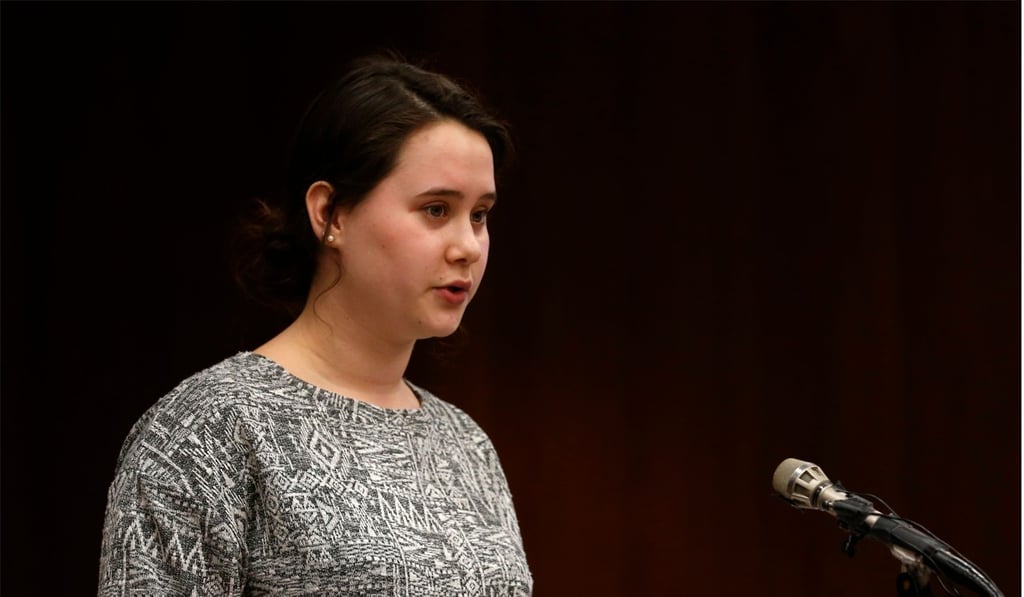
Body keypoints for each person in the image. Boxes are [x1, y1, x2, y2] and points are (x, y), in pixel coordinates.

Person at [98, 54, 532, 596]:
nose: (467, 246)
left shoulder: (466, 445)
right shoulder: (210, 430)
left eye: (480, 215)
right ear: (330, 214)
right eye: (436, 209)